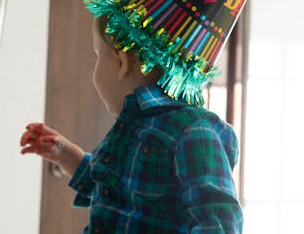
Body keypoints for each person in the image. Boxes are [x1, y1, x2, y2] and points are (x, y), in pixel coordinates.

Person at [20, 16, 243, 233]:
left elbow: (220, 221)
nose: (95, 67)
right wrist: (65, 154)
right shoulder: (133, 125)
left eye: (98, 56)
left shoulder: (193, 130)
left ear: (121, 61)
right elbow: (112, 188)